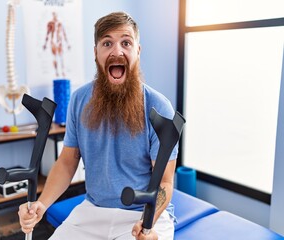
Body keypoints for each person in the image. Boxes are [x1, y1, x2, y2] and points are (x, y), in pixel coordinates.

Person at [18, 11, 178, 240]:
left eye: (126, 42)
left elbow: (165, 181)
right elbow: (67, 162)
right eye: (107, 43)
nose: (117, 51)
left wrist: (147, 223)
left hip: (142, 214)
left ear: (138, 52)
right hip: (93, 212)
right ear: (96, 53)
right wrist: (41, 205)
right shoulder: (79, 100)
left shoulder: (158, 108)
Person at [43, 11, 71, 78]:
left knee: (61, 57)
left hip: (59, 42)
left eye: (55, 15)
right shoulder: (50, 24)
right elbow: (47, 33)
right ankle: (56, 72)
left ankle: (63, 71)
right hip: (53, 42)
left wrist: (67, 44)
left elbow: (64, 33)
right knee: (55, 57)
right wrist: (45, 44)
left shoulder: (60, 24)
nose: (55, 16)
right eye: (53, 15)